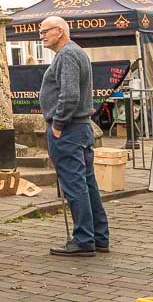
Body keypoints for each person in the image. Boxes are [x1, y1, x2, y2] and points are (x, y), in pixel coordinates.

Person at [39, 16, 110, 256]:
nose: (42, 36)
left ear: (60, 31)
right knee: (87, 183)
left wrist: (58, 124)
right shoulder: (74, 52)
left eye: (45, 31)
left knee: (75, 185)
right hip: (79, 127)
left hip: (69, 129)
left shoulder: (67, 55)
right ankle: (98, 237)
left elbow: (69, 95)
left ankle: (83, 239)